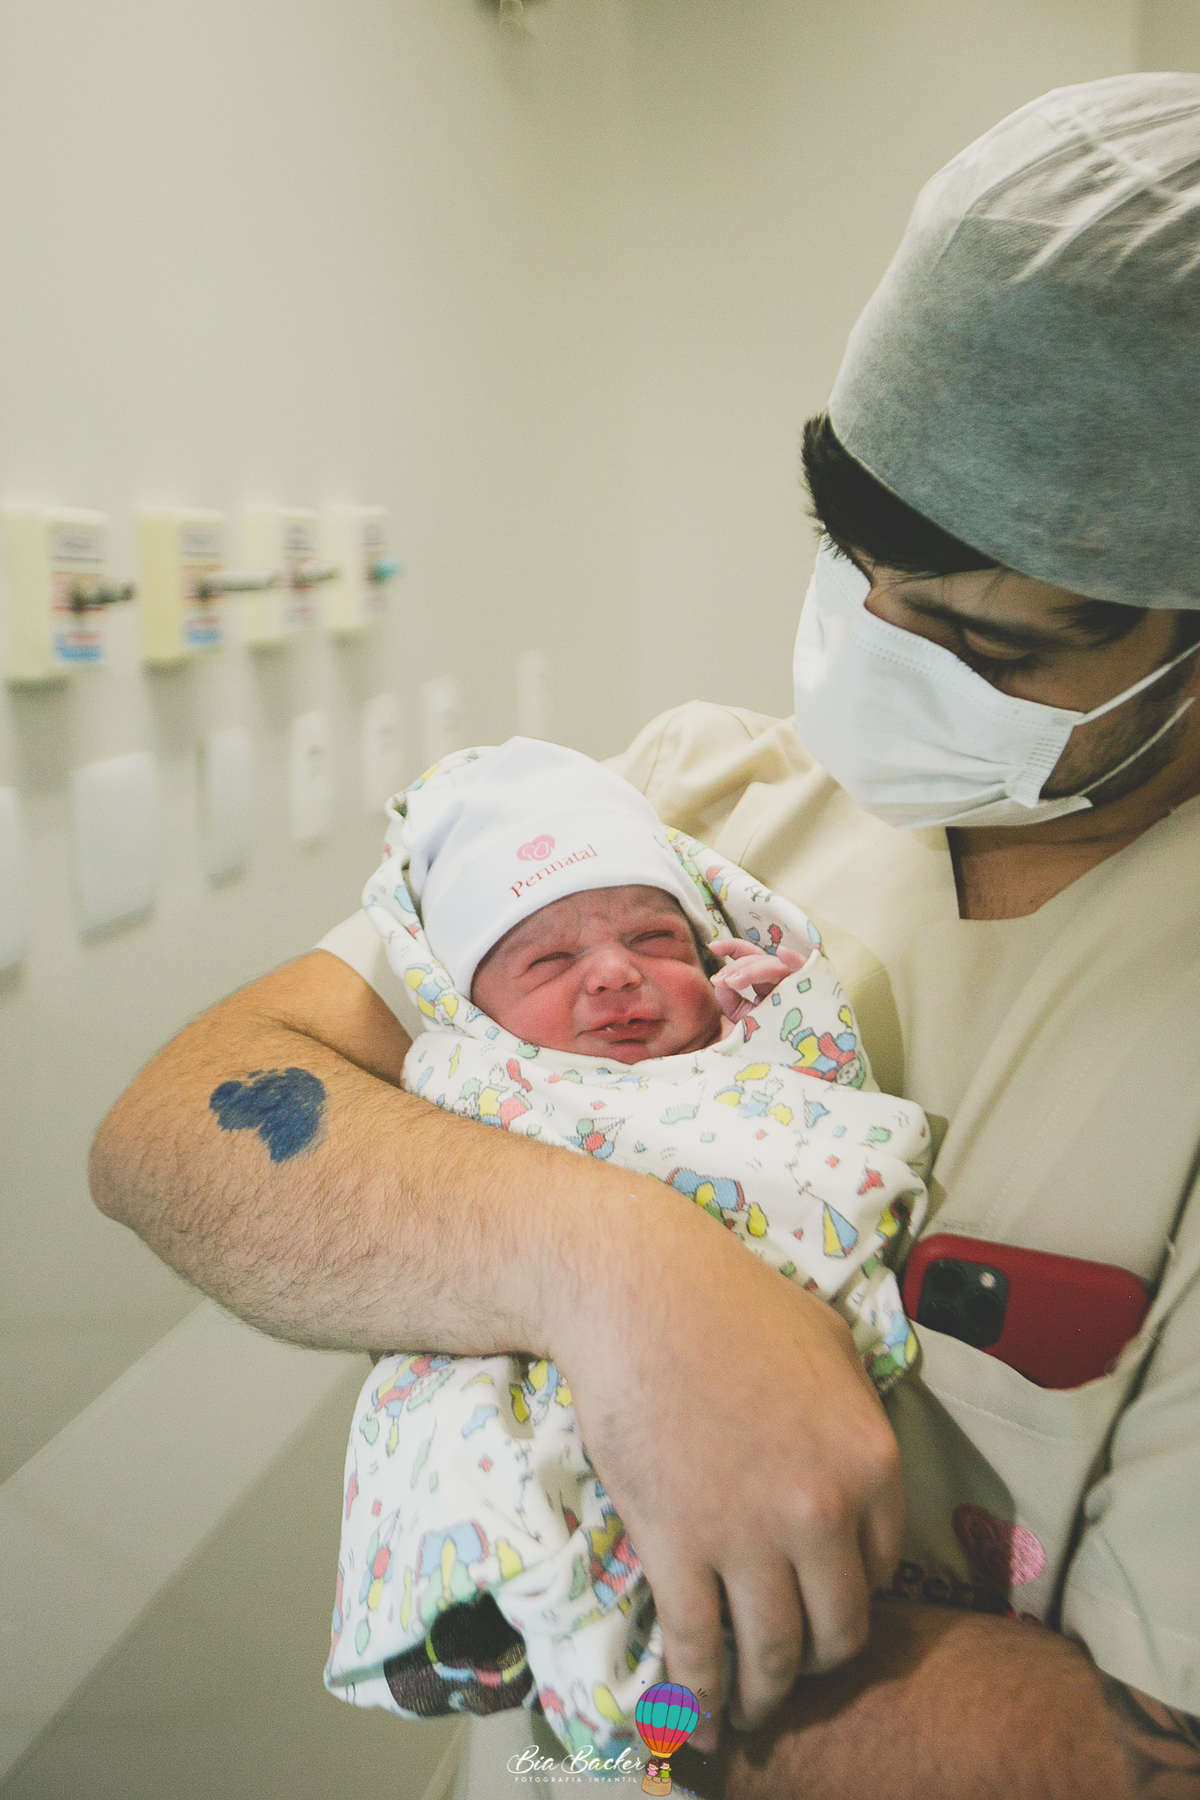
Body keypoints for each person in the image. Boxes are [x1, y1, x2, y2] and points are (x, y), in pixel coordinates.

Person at [89, 73, 1200, 1797]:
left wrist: (592, 1606)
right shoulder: (685, 811)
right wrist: (625, 1278)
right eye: (856, 576)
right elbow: (184, 1122)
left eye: (987, 646)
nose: (877, 666)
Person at [324, 738, 931, 1756]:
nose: (615, 975)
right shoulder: (467, 1075)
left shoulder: (742, 1049)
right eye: (551, 961)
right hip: (535, 1351)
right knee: (440, 1413)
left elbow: (831, 1110)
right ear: (471, 1006)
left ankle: (650, 1671)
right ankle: (462, 1606)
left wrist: (786, 1009)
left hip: (761, 1319)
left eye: (658, 942)